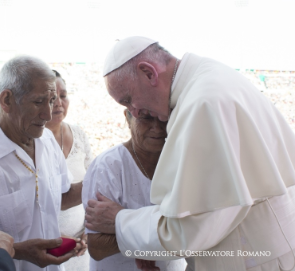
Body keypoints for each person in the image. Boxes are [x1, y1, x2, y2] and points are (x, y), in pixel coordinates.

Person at [85, 36, 295, 271]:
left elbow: (193, 228)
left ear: (149, 73)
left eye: (128, 100)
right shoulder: (210, 78)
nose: (133, 111)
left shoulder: (202, 104)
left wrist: (120, 221)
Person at [0, 55, 86, 271]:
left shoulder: (46, 141)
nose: (48, 113)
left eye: (52, 100)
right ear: (6, 100)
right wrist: (19, 251)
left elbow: (59, 196)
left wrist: (99, 180)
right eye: (38, 101)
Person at [82, 109, 186, 271]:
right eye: (145, 117)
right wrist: (165, 232)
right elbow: (97, 247)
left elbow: (192, 229)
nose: (157, 127)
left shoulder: (182, 163)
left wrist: (120, 221)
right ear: (128, 118)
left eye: (164, 118)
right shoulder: (109, 166)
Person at [46, 70, 93, 271]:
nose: (58, 103)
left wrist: (90, 231)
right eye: (51, 98)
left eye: (63, 96)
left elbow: (95, 186)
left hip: (82, 246)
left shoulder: (79, 134)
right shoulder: (31, 143)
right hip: (48, 247)